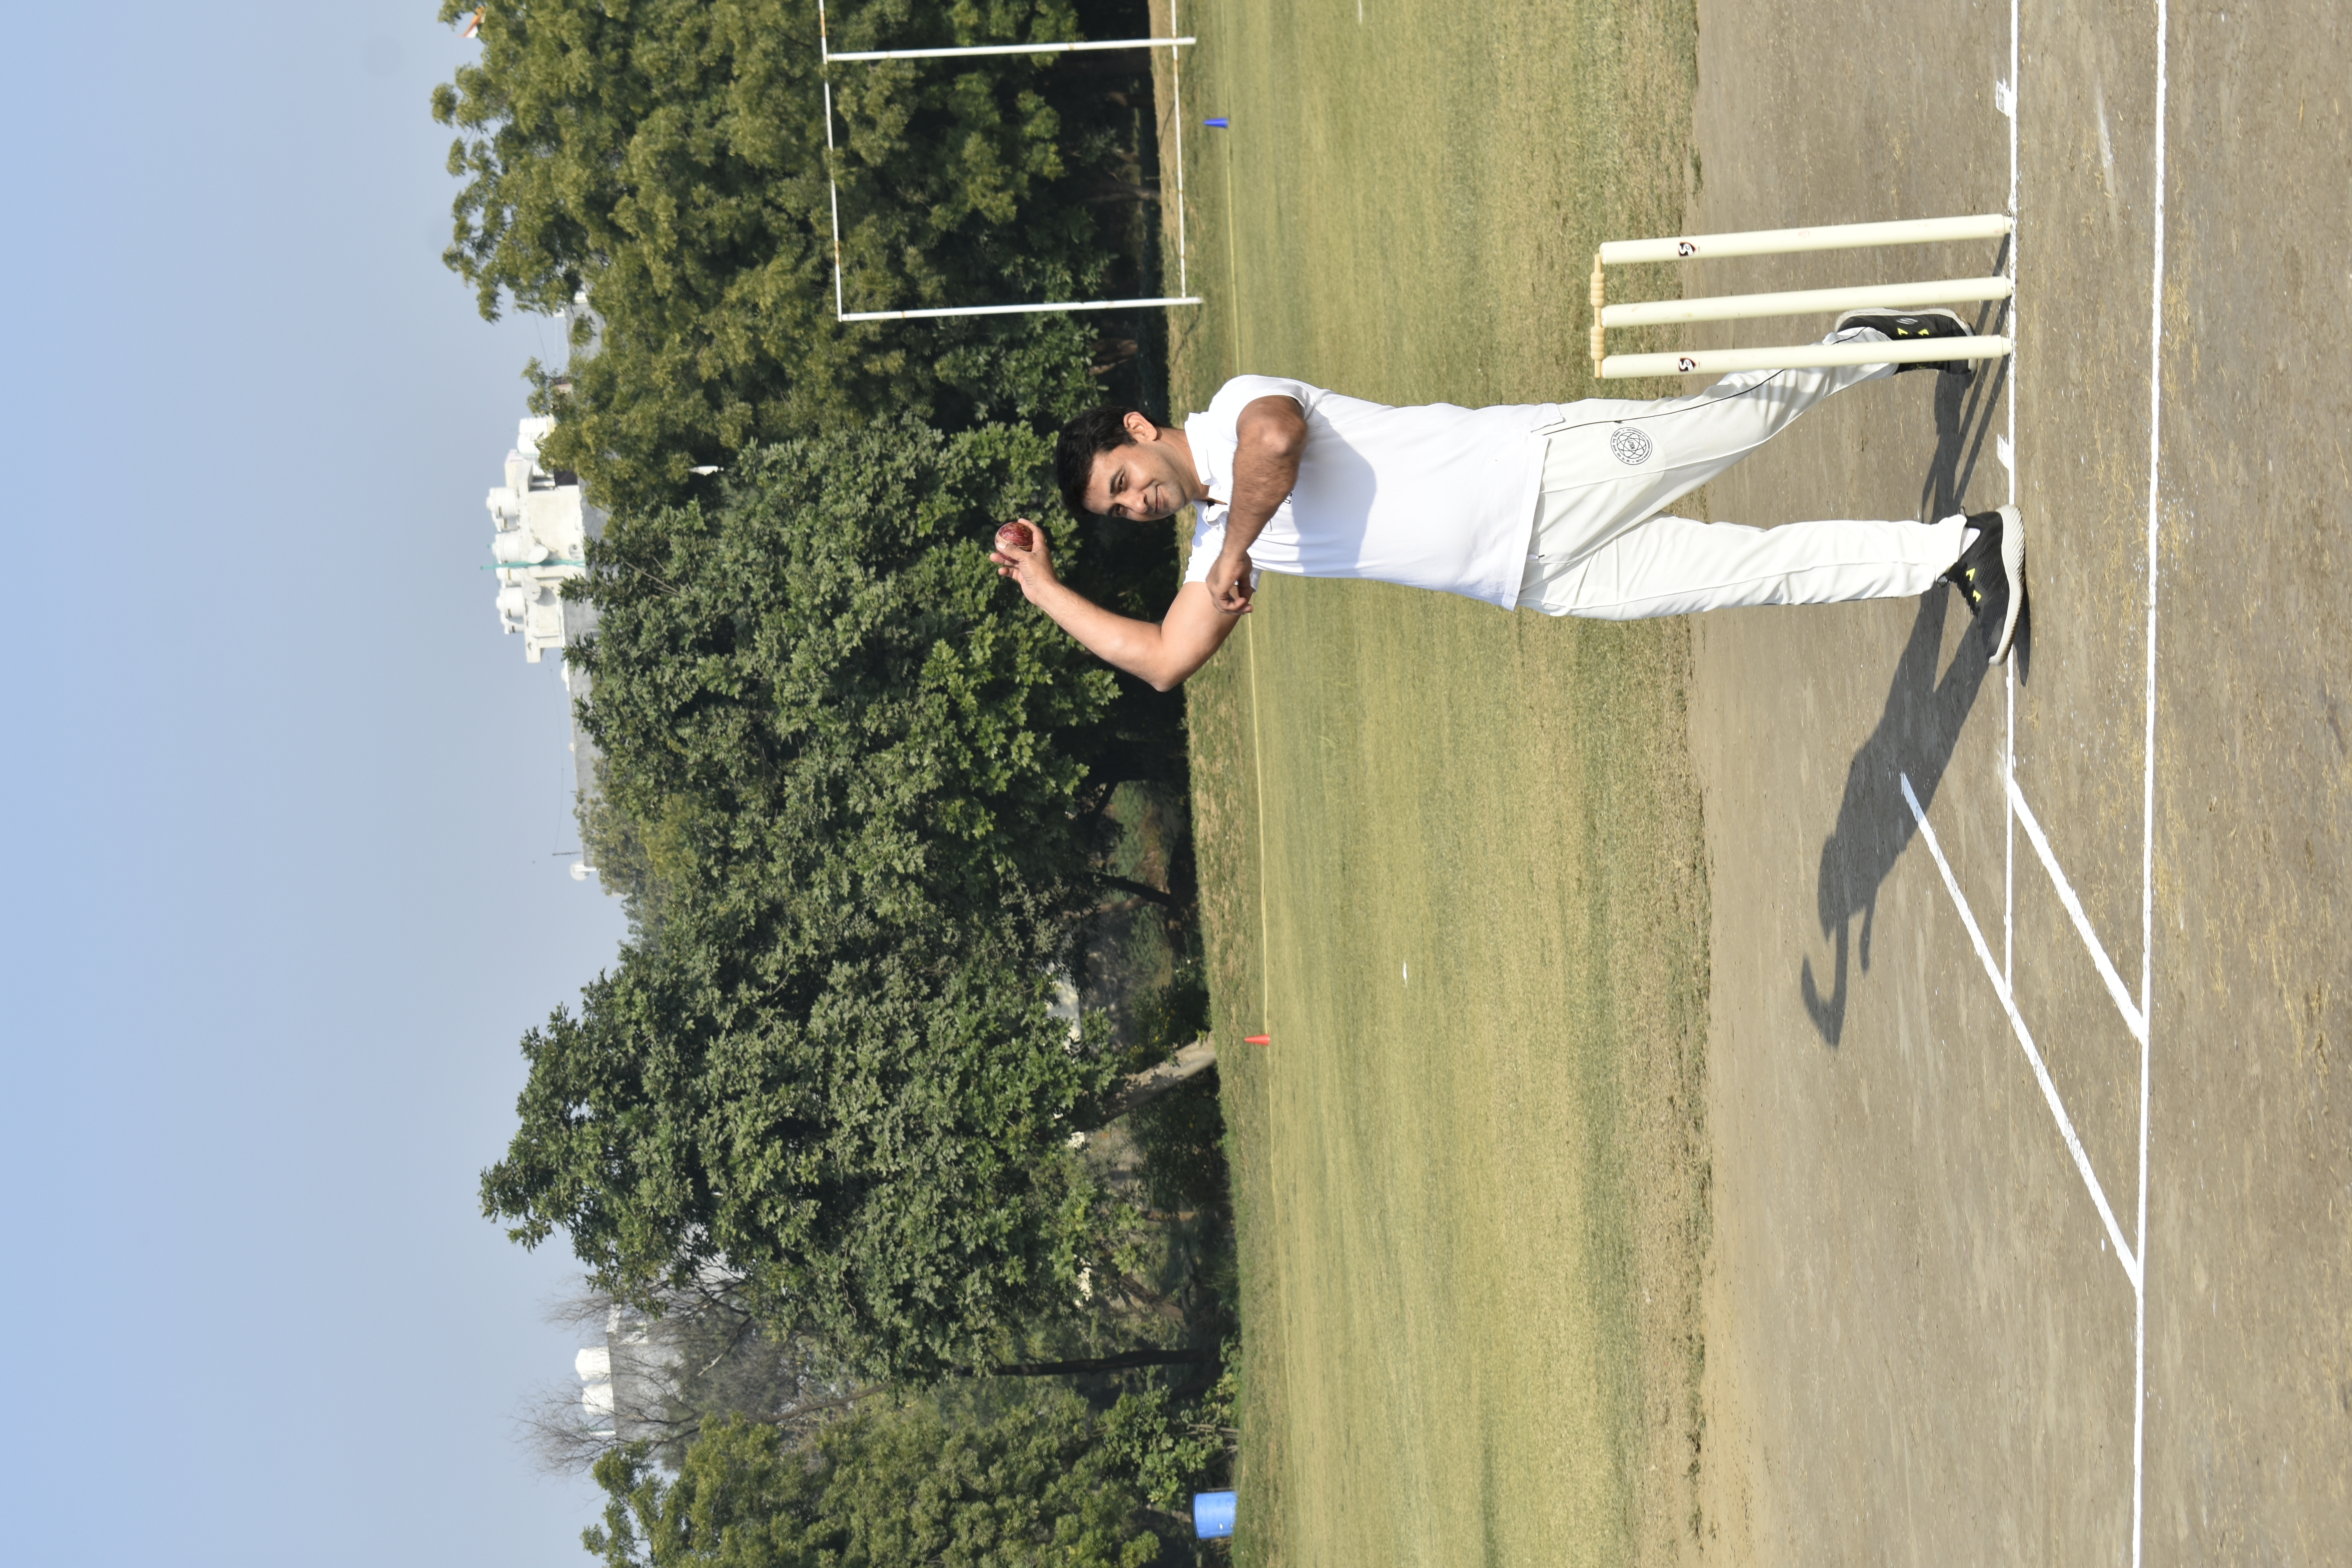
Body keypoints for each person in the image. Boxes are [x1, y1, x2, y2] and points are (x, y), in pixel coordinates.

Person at [988, 310, 2026, 692]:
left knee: (1738, 421)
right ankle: (1958, 549)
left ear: (1139, 430)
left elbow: (1279, 443)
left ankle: (1853, 349)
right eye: (1119, 513)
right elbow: (1164, 662)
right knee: (1746, 574)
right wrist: (1041, 586)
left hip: (1544, 469)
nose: (1136, 505)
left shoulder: (1229, 413)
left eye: (1125, 485)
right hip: (1533, 574)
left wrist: (1234, 551)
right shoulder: (1213, 547)